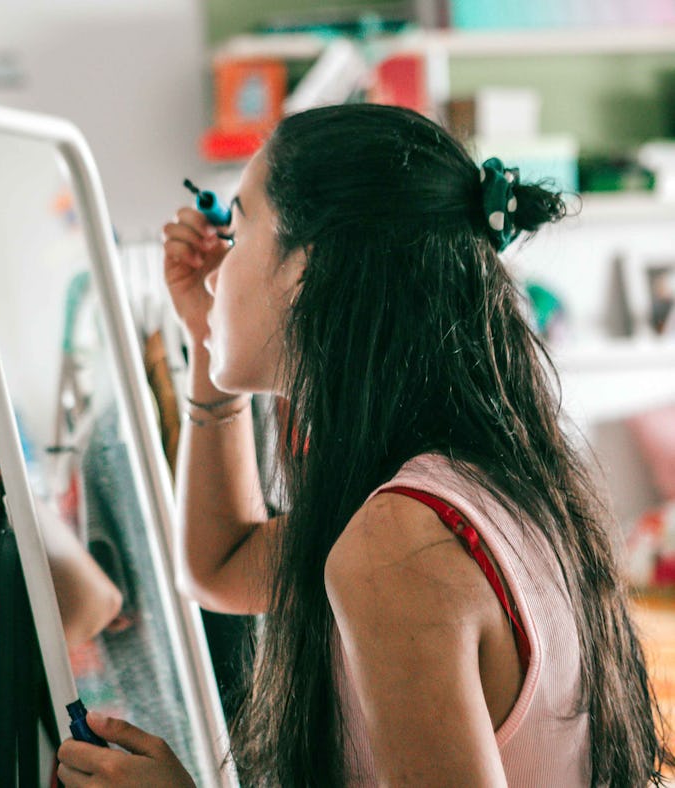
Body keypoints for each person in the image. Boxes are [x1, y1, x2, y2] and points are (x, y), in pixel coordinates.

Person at [57, 103, 672, 787]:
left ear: (304, 269)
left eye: (240, 228)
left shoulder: (398, 546)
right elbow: (223, 564)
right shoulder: (475, 485)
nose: (219, 266)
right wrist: (208, 343)